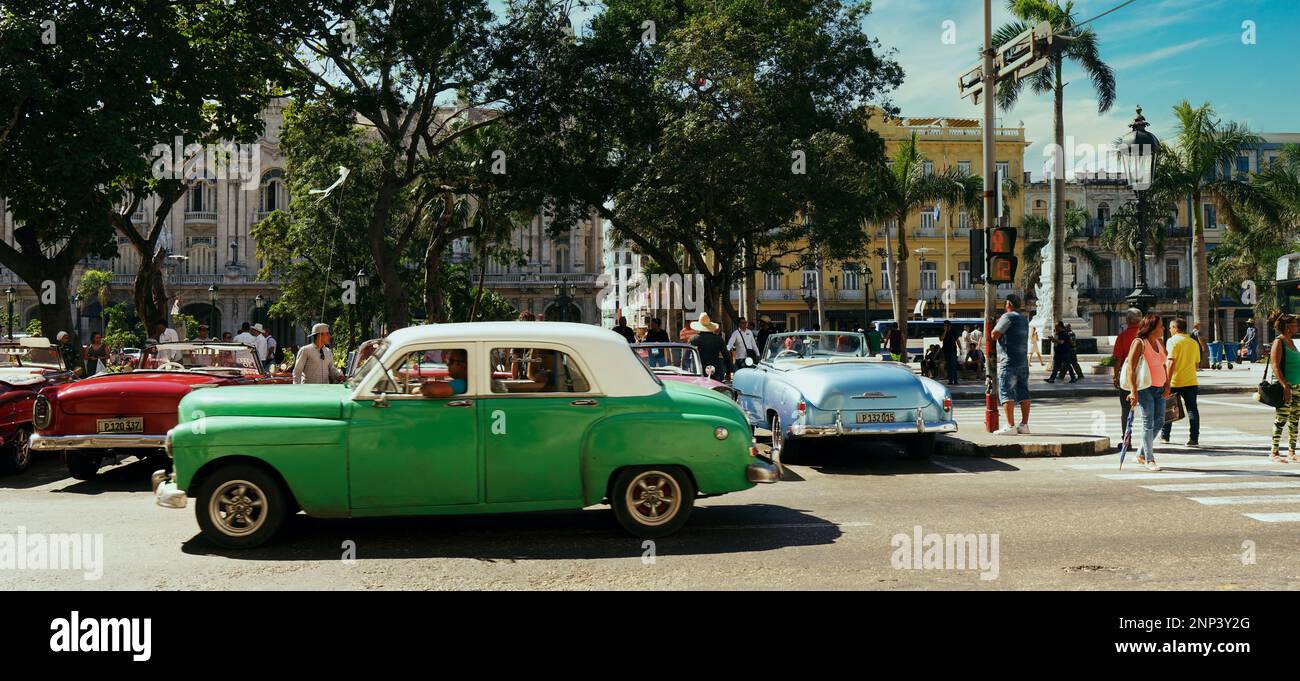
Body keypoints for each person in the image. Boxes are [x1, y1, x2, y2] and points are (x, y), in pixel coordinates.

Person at [1124, 313, 1171, 472]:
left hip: (1160, 387)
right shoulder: (1139, 343)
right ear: (1151, 328)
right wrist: (1133, 391)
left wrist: (1167, 384)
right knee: (1148, 423)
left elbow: (1164, 364)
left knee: (1160, 421)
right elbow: (1131, 367)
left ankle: (1140, 453)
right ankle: (1149, 459)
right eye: (1160, 326)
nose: (1163, 328)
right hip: (1145, 388)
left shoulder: (1159, 342)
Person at [990, 294, 1031, 435]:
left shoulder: (1007, 317)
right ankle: (1024, 425)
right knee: (1023, 392)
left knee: (1006, 392)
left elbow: (994, 334)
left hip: (1009, 361)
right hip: (1023, 362)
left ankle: (1010, 425)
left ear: (1008, 303)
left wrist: (994, 326)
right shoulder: (1024, 319)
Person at [1160, 318, 1201, 447]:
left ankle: (1165, 436)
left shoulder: (1172, 341)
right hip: (1191, 381)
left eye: (1171, 327)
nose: (1169, 330)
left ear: (1176, 328)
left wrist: (1167, 381)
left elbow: (1171, 361)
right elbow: (1197, 364)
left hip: (1174, 381)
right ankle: (1194, 438)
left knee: (1168, 408)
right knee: (1192, 410)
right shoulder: (1193, 342)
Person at [1267, 309, 1300, 463]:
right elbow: (1275, 366)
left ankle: (1292, 451)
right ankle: (1274, 452)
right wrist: (1285, 386)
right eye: (1295, 324)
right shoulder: (1278, 342)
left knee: (1294, 419)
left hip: (1297, 386)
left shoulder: (1291, 342)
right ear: (1288, 327)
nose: (1298, 326)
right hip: (1285, 386)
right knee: (1281, 418)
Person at [1111, 308, 1143, 430]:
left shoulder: (1123, 336)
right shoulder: (1145, 336)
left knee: (1126, 409)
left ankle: (1126, 439)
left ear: (1128, 320)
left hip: (1127, 377)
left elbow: (1118, 359)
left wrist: (1115, 375)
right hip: (1146, 377)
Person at [688, 313, 729, 380]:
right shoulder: (718, 339)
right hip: (715, 370)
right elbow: (726, 355)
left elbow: (686, 357)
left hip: (699, 371)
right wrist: (728, 372)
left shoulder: (693, 339)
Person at [941, 319, 960, 385]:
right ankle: (950, 380)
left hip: (953, 350)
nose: (945, 326)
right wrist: (945, 331)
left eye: (947, 325)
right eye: (944, 325)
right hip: (946, 350)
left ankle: (955, 380)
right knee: (948, 366)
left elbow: (957, 340)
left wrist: (960, 348)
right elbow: (941, 339)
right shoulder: (942, 331)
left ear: (949, 325)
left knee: (953, 365)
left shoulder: (954, 331)